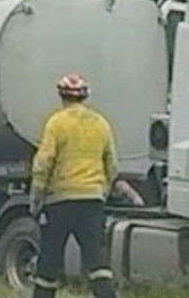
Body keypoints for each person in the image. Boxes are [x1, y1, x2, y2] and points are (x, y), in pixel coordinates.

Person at [28, 73, 119, 298]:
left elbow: (43, 163)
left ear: (61, 95)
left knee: (50, 259)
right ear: (85, 96)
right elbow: (113, 166)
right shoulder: (101, 124)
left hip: (59, 202)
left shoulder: (56, 123)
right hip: (92, 202)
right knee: (96, 259)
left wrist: (36, 198)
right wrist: (101, 193)